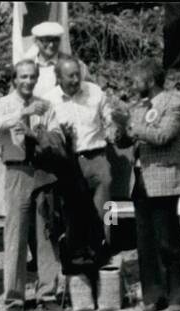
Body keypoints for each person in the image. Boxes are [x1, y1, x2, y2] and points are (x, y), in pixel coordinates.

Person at [111, 59, 180, 311]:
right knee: (145, 243)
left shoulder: (174, 104)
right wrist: (121, 127)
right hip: (140, 180)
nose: (133, 85)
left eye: (137, 80)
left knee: (168, 240)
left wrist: (133, 127)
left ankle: (177, 296)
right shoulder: (138, 107)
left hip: (163, 179)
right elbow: (125, 142)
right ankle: (154, 296)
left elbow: (163, 136)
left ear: (150, 80)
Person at [0, 60, 61, 311]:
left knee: (46, 233)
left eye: (32, 77)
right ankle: (14, 298)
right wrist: (24, 112)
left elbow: (56, 137)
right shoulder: (2, 104)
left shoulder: (46, 105)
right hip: (16, 170)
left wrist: (38, 134)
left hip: (41, 170)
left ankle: (47, 293)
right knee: (15, 234)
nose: (28, 81)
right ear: (14, 79)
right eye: (23, 77)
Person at [45, 56, 113, 235]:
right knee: (73, 210)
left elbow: (109, 119)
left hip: (97, 156)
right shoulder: (49, 100)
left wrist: (113, 127)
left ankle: (108, 242)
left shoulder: (95, 92)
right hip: (69, 161)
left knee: (107, 206)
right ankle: (77, 247)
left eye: (78, 74)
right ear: (59, 78)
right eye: (70, 76)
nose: (76, 80)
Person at [25, 21, 88, 100]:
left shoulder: (74, 65)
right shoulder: (26, 65)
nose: (51, 45)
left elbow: (89, 91)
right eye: (46, 40)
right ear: (36, 41)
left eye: (55, 40)